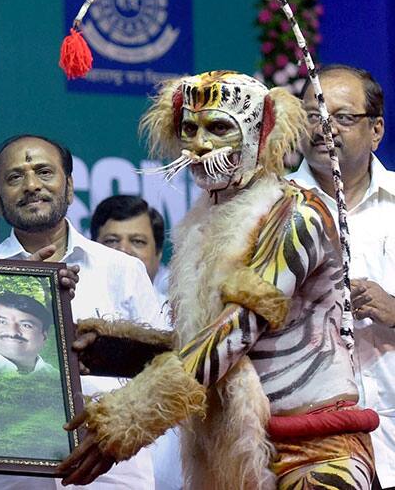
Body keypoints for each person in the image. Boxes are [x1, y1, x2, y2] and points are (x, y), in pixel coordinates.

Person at [59, 71, 377, 488]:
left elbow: (235, 335)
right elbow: (217, 346)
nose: (200, 146)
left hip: (316, 454)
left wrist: (128, 419)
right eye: (189, 129)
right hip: (240, 455)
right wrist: (117, 351)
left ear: (259, 135)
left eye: (219, 128)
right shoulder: (204, 223)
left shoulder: (296, 215)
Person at [0, 134, 161, 490]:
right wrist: (20, 289)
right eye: (15, 178)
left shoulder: (121, 270)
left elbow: (159, 370)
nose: (32, 185)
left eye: (44, 172)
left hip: (111, 473)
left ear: (71, 185)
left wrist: (116, 428)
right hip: (11, 477)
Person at [289, 64, 393, 490]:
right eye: (313, 115)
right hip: (306, 451)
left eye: (343, 117)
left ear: (376, 130)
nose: (324, 127)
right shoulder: (272, 209)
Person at [90, 197, 181, 490]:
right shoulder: (76, 316)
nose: (123, 252)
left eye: (138, 241)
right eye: (111, 241)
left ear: (157, 256)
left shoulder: (184, 320)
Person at [0, 292, 56, 374]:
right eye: (2, 322)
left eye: (26, 325)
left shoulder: (57, 377)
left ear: (44, 336)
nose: (12, 332)